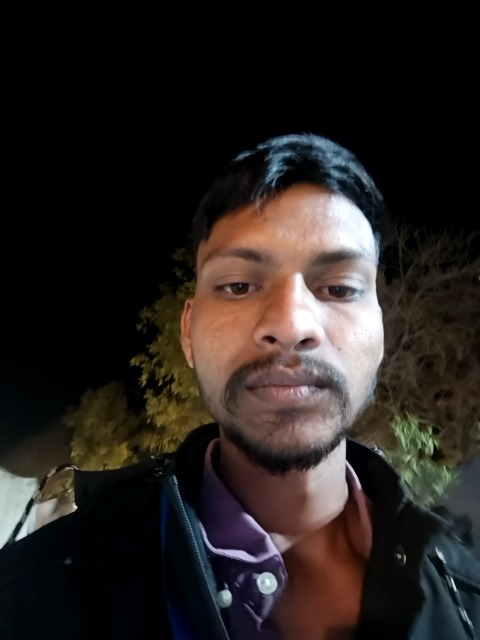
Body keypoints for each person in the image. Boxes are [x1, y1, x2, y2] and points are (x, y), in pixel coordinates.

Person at [1, 133, 479, 640]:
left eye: (340, 288)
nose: (292, 324)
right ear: (188, 333)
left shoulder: (468, 599)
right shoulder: (34, 595)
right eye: (238, 286)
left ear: (382, 332)